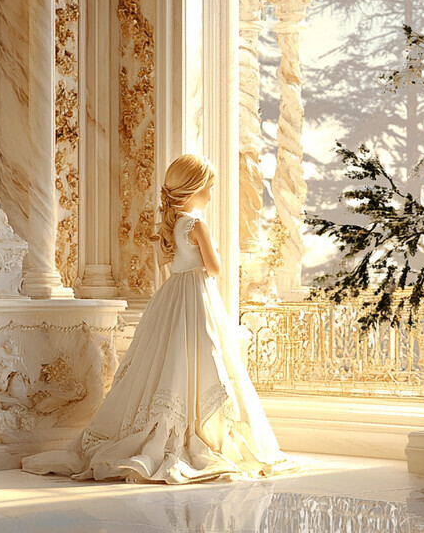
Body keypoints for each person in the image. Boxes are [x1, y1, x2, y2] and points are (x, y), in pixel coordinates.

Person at [21, 154, 297, 483]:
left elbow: (168, 265)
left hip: (171, 296)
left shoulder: (171, 225)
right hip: (195, 294)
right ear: (193, 189)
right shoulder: (196, 224)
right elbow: (215, 268)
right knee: (200, 355)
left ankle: (178, 427)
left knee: (169, 361)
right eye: (208, 187)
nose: (210, 194)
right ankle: (199, 430)